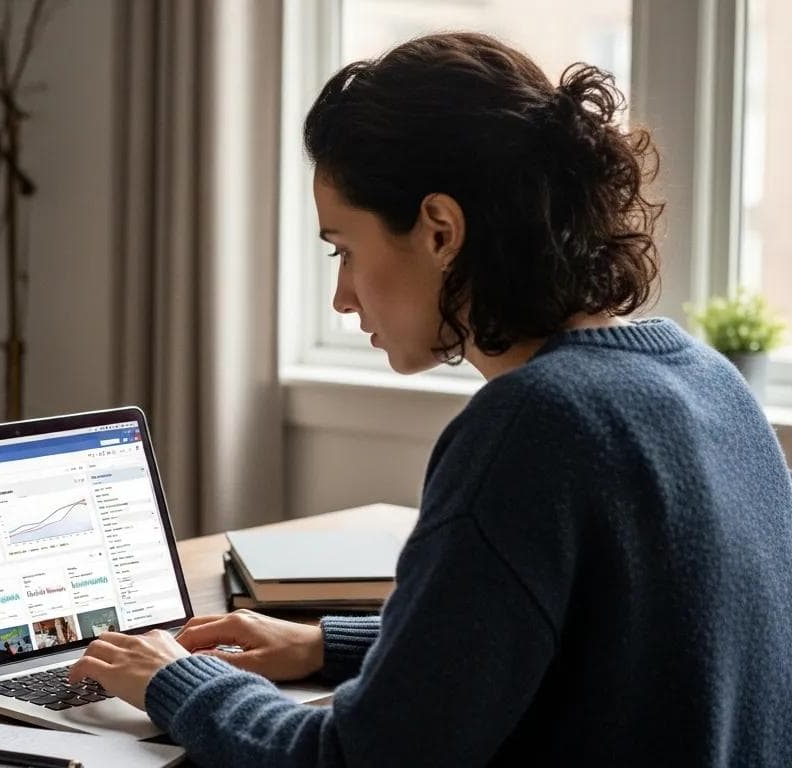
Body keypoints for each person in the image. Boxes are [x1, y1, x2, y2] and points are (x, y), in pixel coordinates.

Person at [68, 32, 792, 766]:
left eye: (344, 249)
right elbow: (574, 643)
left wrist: (175, 680)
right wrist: (326, 645)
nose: (342, 297)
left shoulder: (533, 424)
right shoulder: (709, 381)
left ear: (440, 230)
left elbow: (352, 759)